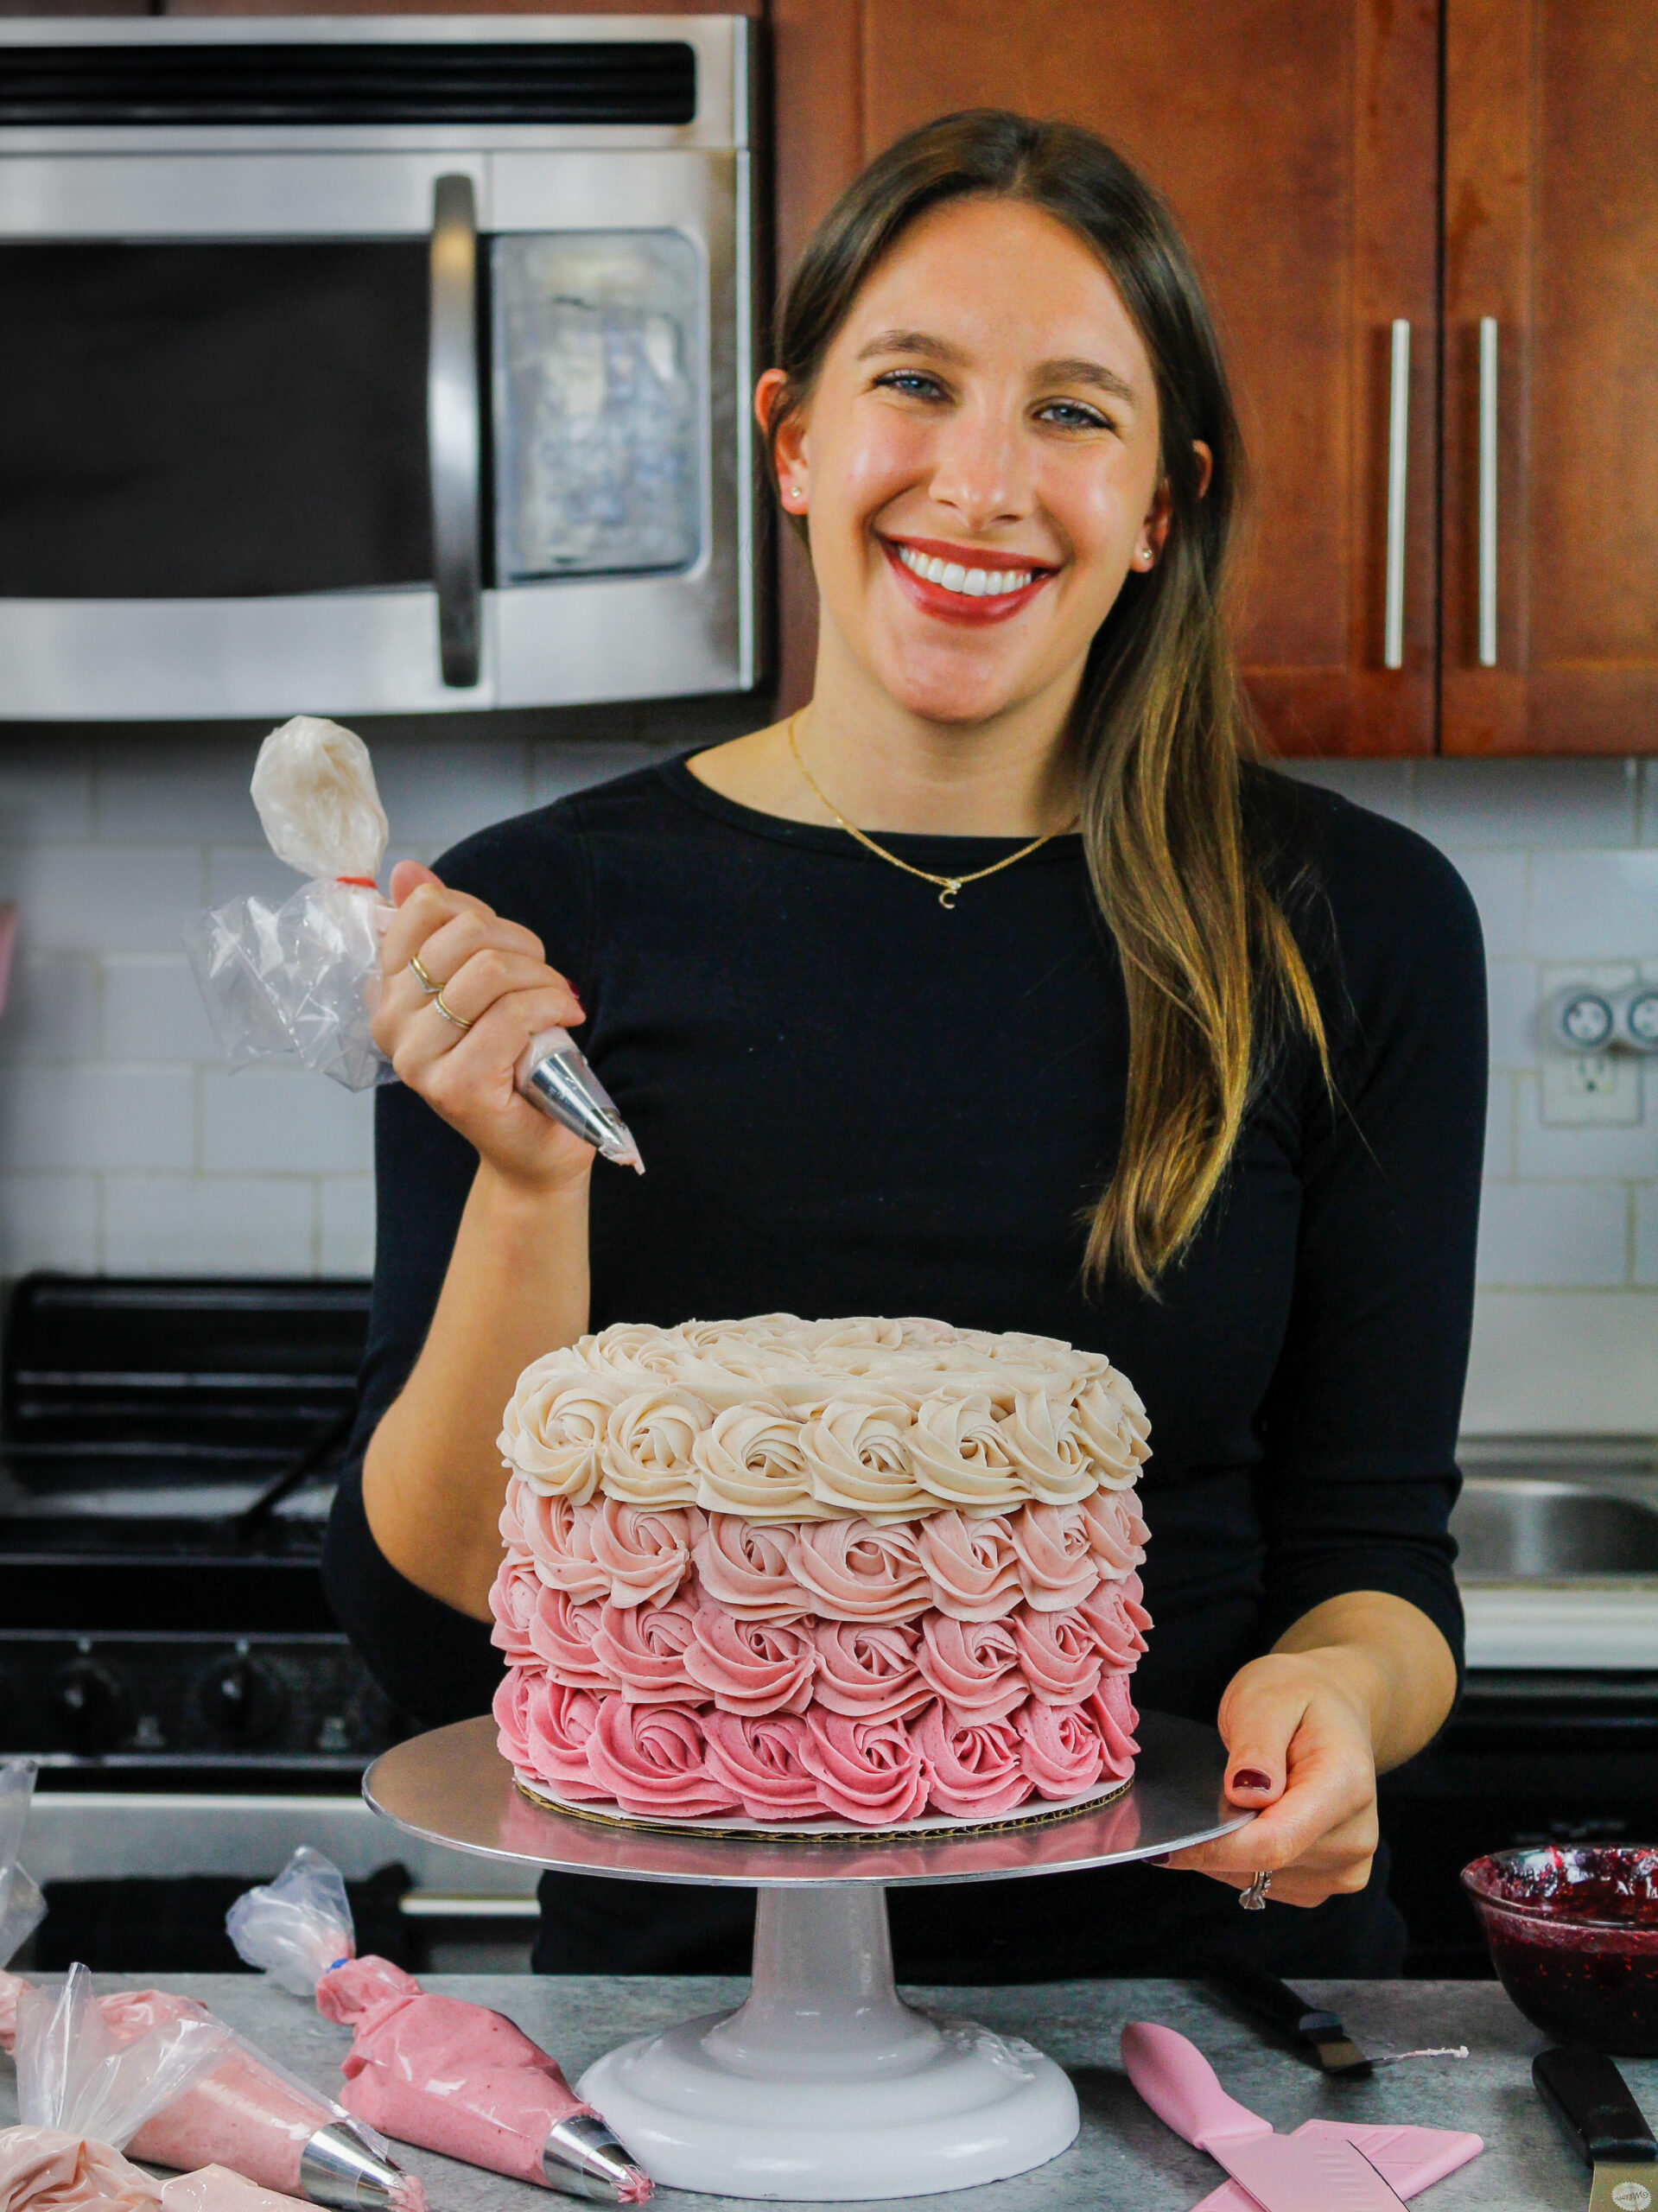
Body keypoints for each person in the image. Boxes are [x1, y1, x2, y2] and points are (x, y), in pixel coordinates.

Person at [324, 110, 1484, 1980]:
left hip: (1200, 1994)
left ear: (1162, 504)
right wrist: (531, 1169)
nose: (980, 480)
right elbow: (428, 1608)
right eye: (915, 383)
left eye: (1073, 411)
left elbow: (1378, 1553)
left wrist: (1339, 1686)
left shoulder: (1353, 923)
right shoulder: (537, 925)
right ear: (794, 440)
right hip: (683, 2013)